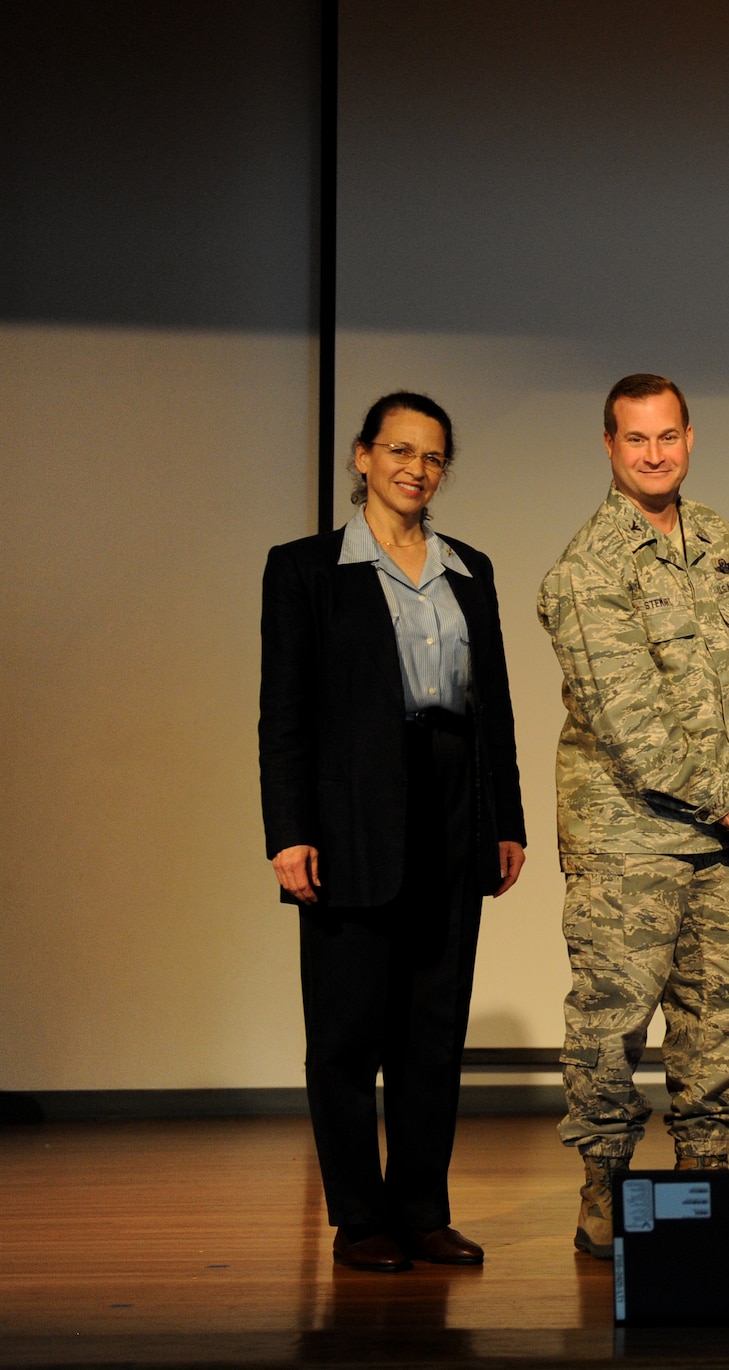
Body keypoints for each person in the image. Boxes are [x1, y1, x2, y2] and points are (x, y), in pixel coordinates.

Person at [260, 392, 528, 1274]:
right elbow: (284, 716)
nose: (417, 469)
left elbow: (493, 707)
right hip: (350, 813)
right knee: (346, 1032)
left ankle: (421, 1208)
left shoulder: (469, 568)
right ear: (362, 457)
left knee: (433, 1023)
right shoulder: (304, 570)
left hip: (453, 799)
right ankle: (359, 1218)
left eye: (433, 456)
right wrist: (290, 831)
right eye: (400, 450)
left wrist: (507, 821)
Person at [538, 372, 729, 1258]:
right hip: (629, 840)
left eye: (669, 437)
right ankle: (605, 1190)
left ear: (691, 438)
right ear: (609, 447)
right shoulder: (588, 571)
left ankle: (702, 1181)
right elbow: (632, 726)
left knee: (720, 1016)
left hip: (722, 838)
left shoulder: (720, 540)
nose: (655, 455)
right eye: (635, 440)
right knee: (611, 1023)